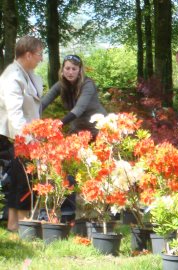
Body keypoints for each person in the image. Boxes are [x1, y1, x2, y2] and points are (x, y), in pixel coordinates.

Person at [0, 36, 45, 231]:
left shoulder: (27, 74)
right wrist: (26, 141)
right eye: (39, 54)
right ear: (28, 55)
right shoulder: (13, 76)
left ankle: (15, 225)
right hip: (13, 136)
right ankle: (20, 226)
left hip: (24, 135)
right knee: (22, 181)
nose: (41, 59)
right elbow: (14, 113)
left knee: (20, 180)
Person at [41, 55, 107, 136]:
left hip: (97, 127)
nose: (70, 72)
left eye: (74, 69)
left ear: (79, 71)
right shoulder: (60, 85)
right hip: (77, 128)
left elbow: (79, 109)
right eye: (67, 68)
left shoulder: (88, 84)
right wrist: (32, 115)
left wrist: (59, 124)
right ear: (62, 70)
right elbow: (44, 102)